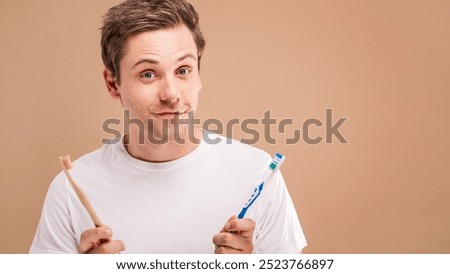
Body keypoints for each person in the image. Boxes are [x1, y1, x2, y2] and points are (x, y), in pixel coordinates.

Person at [30, 0, 307, 254]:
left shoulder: (259, 174)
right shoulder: (72, 188)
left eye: (183, 70)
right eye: (148, 74)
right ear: (113, 84)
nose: (171, 94)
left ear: (198, 75)